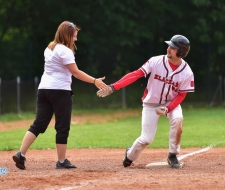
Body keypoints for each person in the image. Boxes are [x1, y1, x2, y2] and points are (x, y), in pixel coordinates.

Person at [12, 21, 108, 170]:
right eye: (74, 36)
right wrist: (94, 81)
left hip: (43, 90)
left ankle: (21, 154)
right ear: (67, 35)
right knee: (62, 127)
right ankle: (61, 161)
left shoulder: (49, 48)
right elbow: (75, 72)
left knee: (38, 124)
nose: (75, 39)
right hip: (60, 91)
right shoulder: (65, 51)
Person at [97, 35, 194, 169]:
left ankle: (172, 155)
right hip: (151, 103)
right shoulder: (156, 61)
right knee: (146, 139)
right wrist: (114, 87)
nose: (168, 48)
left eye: (172, 47)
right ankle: (129, 155)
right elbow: (136, 74)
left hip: (171, 102)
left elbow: (182, 94)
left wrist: (169, 108)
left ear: (181, 52)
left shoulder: (187, 72)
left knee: (177, 119)